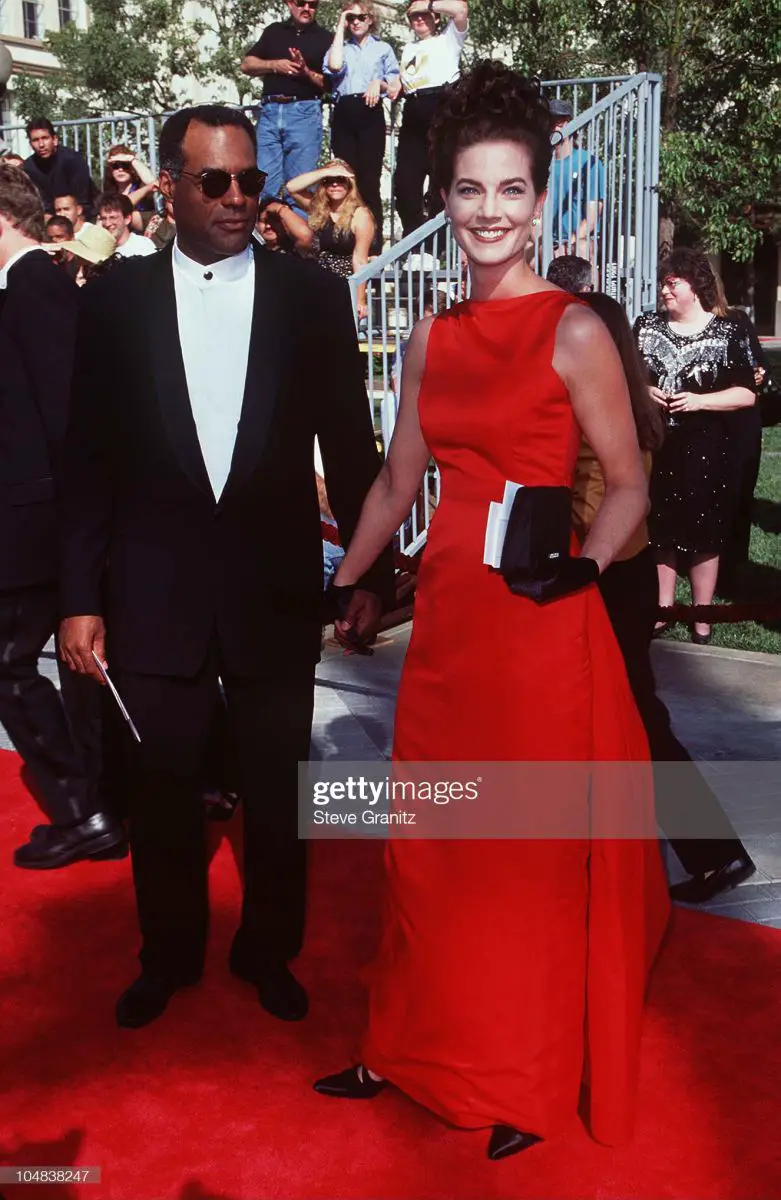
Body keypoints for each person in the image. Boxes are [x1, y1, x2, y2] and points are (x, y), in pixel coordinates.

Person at [313, 63, 669, 1159]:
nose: (488, 212)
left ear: (539, 198)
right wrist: (345, 580)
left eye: (510, 190)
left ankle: (518, 1078)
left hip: (539, 628)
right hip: (455, 628)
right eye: (469, 190)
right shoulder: (433, 342)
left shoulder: (572, 332)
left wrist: (586, 563)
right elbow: (389, 486)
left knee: (516, 857)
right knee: (428, 843)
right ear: (441, 194)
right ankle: (404, 1046)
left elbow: (629, 476)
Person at [58, 104, 393, 1031]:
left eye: (249, 179)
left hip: (274, 589)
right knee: (158, 794)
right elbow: (85, 459)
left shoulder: (312, 295)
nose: (240, 197)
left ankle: (268, 952)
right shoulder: (114, 301)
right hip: (150, 592)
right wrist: (78, 596)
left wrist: (370, 574)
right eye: (216, 181)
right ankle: (165, 955)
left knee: (281, 796)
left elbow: (352, 448)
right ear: (171, 186)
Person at [574, 291, 755, 904]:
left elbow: (598, 499)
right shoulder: (633, 392)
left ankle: (712, 851)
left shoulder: (606, 401)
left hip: (606, 570)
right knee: (633, 716)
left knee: (637, 719)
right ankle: (709, 851)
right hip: (625, 571)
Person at [0, 163, 125, 869]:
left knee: (10, 664)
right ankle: (108, 794)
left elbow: (67, 420)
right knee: (78, 670)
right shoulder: (26, 286)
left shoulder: (36, 285)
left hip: (37, 523)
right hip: (42, 519)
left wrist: (82, 531)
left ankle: (85, 808)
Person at [635, 248, 756, 644]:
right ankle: (663, 607)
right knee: (660, 529)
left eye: (673, 283)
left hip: (708, 445)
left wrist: (700, 401)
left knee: (705, 531)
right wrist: (644, 390)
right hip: (656, 442)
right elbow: (624, 375)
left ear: (695, 286)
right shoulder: (646, 326)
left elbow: (746, 394)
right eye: (663, 283)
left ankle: (702, 616)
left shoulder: (728, 330)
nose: (664, 291)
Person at [240, 0, 333, 214]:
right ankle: (261, 240)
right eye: (301, 3)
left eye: (313, 4)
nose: (307, 8)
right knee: (262, 182)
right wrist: (274, 65)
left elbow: (329, 85)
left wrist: (306, 72)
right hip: (270, 112)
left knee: (301, 187)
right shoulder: (274, 31)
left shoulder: (325, 38)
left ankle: (298, 244)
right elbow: (246, 64)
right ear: (290, 4)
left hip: (304, 112)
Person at [324, 2, 401, 251]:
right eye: (351, 18)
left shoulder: (383, 48)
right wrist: (340, 24)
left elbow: (394, 87)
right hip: (344, 110)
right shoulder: (341, 47)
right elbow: (334, 66)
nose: (356, 22)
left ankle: (374, 244)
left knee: (369, 180)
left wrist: (378, 83)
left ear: (371, 20)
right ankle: (346, 241)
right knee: (345, 179)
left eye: (361, 17)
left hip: (369, 112)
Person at [394, 0, 468, 239]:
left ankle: (438, 245)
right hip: (413, 108)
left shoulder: (448, 39)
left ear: (435, 16)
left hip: (440, 103)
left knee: (440, 177)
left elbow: (460, 10)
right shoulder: (408, 48)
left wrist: (428, 3)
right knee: (405, 182)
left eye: (424, 15)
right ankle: (414, 242)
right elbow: (406, 78)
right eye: (414, 16)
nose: (419, 19)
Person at [287, 160, 374, 316]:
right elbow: (292, 188)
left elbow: (360, 260)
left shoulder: (361, 215)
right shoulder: (319, 209)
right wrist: (325, 172)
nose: (335, 184)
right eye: (329, 181)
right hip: (315, 279)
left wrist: (360, 300)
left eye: (340, 179)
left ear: (350, 183)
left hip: (342, 284)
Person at [548, 99, 604, 260]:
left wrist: (569, 242)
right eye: (550, 122)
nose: (554, 128)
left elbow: (592, 217)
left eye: (560, 123)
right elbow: (532, 215)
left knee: (582, 249)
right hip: (545, 241)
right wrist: (545, 242)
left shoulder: (589, 163)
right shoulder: (537, 163)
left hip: (578, 239)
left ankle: (591, 286)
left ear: (571, 124)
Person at [23, 118, 96, 217]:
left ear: (55, 140)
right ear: (31, 144)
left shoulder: (73, 160)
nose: (41, 144)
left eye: (45, 138)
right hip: (48, 218)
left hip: (81, 214)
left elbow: (82, 200)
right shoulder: (29, 167)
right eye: (35, 140)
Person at [101, 145, 159, 232]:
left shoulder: (141, 186)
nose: (120, 169)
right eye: (115, 166)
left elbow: (153, 183)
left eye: (125, 165)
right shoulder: (108, 193)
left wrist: (132, 159)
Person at [96, 192, 157, 257]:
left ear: (127, 219)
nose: (107, 223)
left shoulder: (142, 246)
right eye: (103, 218)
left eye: (112, 217)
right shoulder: (98, 249)